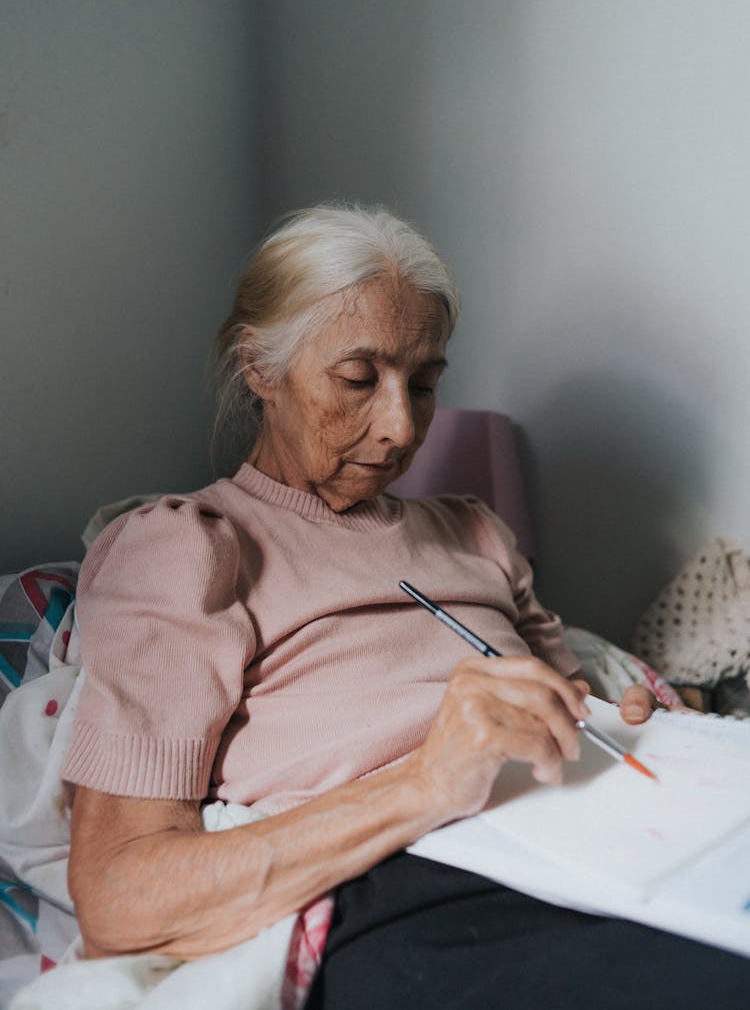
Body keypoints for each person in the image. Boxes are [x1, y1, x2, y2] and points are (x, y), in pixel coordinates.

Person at [63, 204, 748, 1007]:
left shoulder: (474, 534)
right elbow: (118, 901)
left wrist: (623, 722)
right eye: (359, 379)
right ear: (260, 367)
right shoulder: (194, 547)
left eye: (424, 384)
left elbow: (575, 707)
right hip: (413, 885)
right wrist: (424, 783)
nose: (400, 428)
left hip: (597, 842)